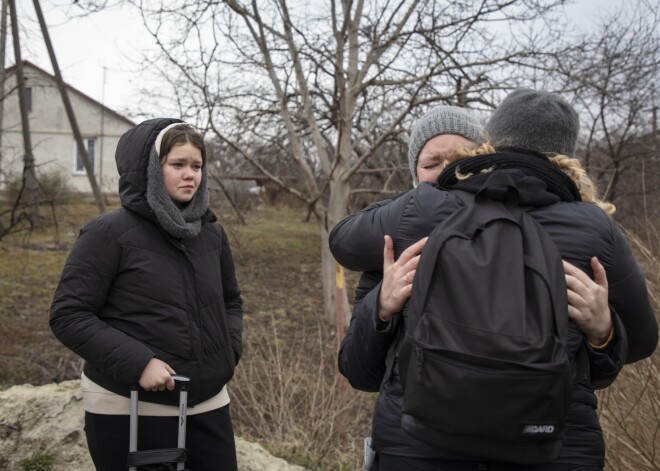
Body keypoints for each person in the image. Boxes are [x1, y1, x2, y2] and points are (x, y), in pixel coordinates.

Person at [330, 90, 657, 470]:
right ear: (568, 158)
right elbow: (643, 341)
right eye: (430, 163)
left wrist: (412, 205)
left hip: (420, 444)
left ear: (487, 144)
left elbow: (343, 241)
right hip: (554, 449)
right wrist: (604, 332)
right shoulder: (594, 228)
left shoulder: (422, 211)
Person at [50, 118, 243, 471]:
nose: (190, 175)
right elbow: (69, 314)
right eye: (178, 165)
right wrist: (139, 362)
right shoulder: (107, 233)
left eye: (197, 166)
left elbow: (231, 300)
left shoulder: (211, 234)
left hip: (208, 402)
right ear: (152, 170)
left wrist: (228, 350)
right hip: (130, 405)